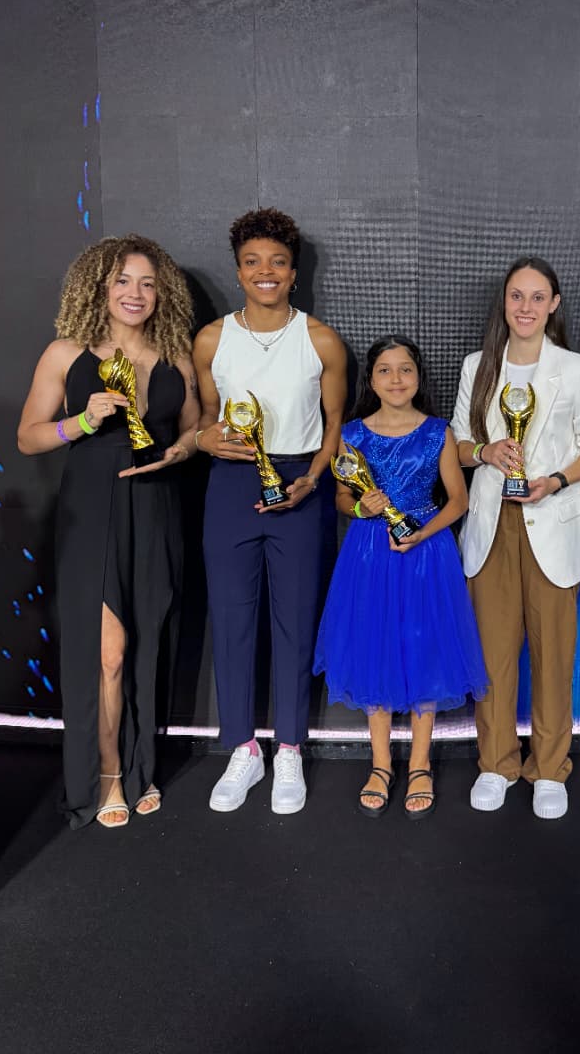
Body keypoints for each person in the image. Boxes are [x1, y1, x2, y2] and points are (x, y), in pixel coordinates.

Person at [18, 235, 199, 829]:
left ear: (161, 293)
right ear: (99, 286)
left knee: (147, 642)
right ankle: (109, 773)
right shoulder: (65, 354)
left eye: (147, 283)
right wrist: (82, 420)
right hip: (93, 510)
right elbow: (28, 438)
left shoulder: (176, 355)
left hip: (154, 507)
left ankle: (143, 765)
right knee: (110, 654)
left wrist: (178, 452)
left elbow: (197, 428)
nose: (135, 293)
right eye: (123, 280)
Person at [194, 208, 346, 815]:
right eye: (254, 262)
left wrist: (312, 480)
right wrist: (207, 439)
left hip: (299, 485)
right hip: (231, 485)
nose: (266, 272)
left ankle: (287, 750)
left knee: (295, 620)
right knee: (231, 621)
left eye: (277, 262)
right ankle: (242, 750)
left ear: (293, 272)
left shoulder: (320, 339)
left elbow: (335, 423)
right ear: (238, 270)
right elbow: (203, 419)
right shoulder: (211, 338)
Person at [452, 257, 580, 820]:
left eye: (536, 296)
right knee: (493, 655)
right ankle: (496, 763)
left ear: (554, 304)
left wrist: (555, 480)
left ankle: (550, 769)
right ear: (505, 302)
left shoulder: (576, 368)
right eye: (516, 296)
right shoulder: (478, 365)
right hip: (491, 524)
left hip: (554, 522)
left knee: (554, 657)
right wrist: (486, 453)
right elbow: (457, 443)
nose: (525, 307)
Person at [313, 335, 487, 818]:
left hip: (426, 553)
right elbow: (341, 499)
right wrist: (361, 506)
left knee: (424, 647)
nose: (396, 379)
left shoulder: (438, 432)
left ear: (418, 377)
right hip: (370, 555)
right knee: (375, 646)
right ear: (371, 379)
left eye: (405, 369)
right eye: (385, 370)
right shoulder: (353, 434)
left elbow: (459, 500)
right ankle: (382, 763)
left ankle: (421, 765)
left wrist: (418, 533)